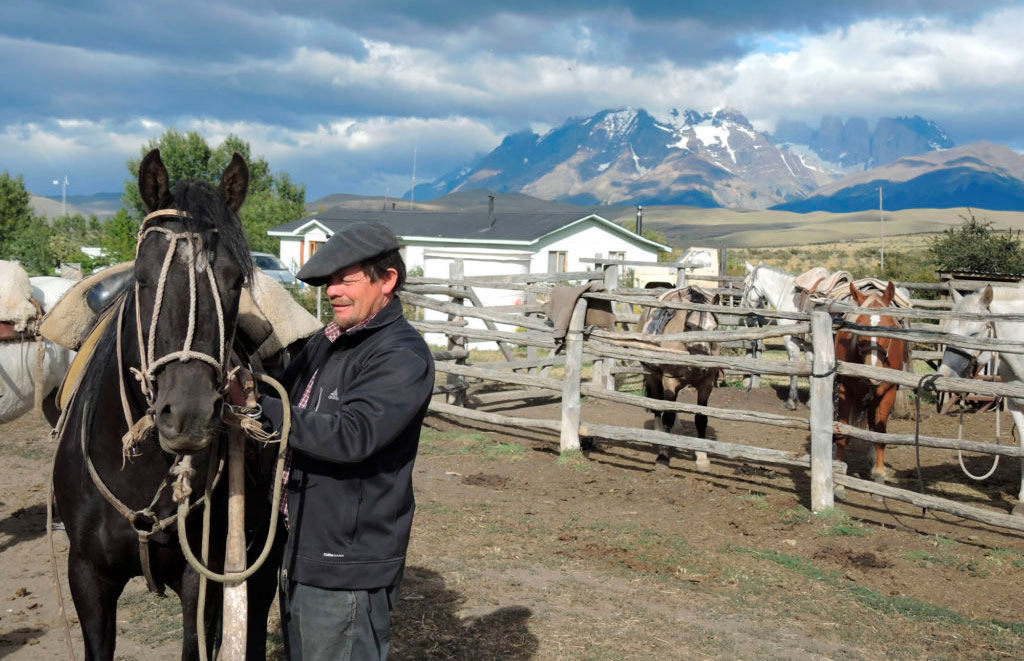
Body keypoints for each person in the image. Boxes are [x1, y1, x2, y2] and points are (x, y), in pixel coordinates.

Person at [230, 222, 434, 660]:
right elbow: (278, 394)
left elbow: (353, 436)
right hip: (304, 544)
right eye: (330, 282)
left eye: (347, 279)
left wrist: (257, 405)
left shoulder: (400, 354)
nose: (334, 292)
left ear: (388, 280)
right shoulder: (330, 340)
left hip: (347, 559)